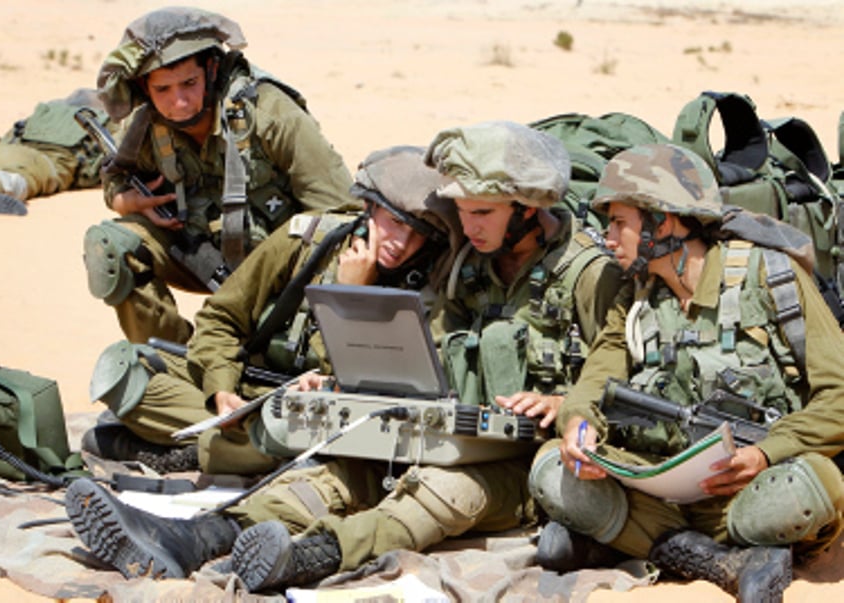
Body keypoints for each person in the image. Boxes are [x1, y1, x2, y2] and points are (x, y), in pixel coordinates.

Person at [66, 121, 625, 592]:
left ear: (527, 211)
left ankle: (314, 557)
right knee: (341, 471)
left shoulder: (588, 274)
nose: (467, 226)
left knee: (433, 494)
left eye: (481, 213)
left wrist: (564, 402)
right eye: (462, 212)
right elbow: (426, 354)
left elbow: (616, 367)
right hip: (453, 433)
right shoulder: (468, 262)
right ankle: (195, 537)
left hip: (527, 462)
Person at [529, 143, 844, 602]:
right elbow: (596, 379)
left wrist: (766, 454)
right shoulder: (635, 297)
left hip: (749, 491)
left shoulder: (770, 276)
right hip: (657, 488)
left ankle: (627, 539)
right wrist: (579, 428)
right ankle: (730, 564)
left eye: (620, 222)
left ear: (665, 221)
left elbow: (838, 396)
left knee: (812, 488)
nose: (609, 237)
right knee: (550, 468)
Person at [80, 144, 457, 476]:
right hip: (257, 390)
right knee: (126, 367)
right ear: (369, 207)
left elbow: (400, 386)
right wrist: (221, 390)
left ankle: (207, 452)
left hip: (327, 415)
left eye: (419, 233)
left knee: (342, 445)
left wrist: (351, 295)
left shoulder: (433, 286)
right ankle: (241, 446)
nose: (402, 243)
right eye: (394, 223)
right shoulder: (308, 238)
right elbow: (220, 319)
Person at [84, 6, 356, 345]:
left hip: (280, 275)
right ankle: (169, 360)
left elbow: (341, 214)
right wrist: (124, 200)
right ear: (144, 87)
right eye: (163, 90)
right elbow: (114, 175)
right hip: (194, 256)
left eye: (189, 83)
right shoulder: (144, 124)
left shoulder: (270, 113)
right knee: (109, 245)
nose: (179, 102)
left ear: (211, 69)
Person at [0, 88, 112, 216]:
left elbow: (11, 135)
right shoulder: (106, 121)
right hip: (43, 160)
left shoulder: (47, 112)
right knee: (16, 178)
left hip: (0, 150)